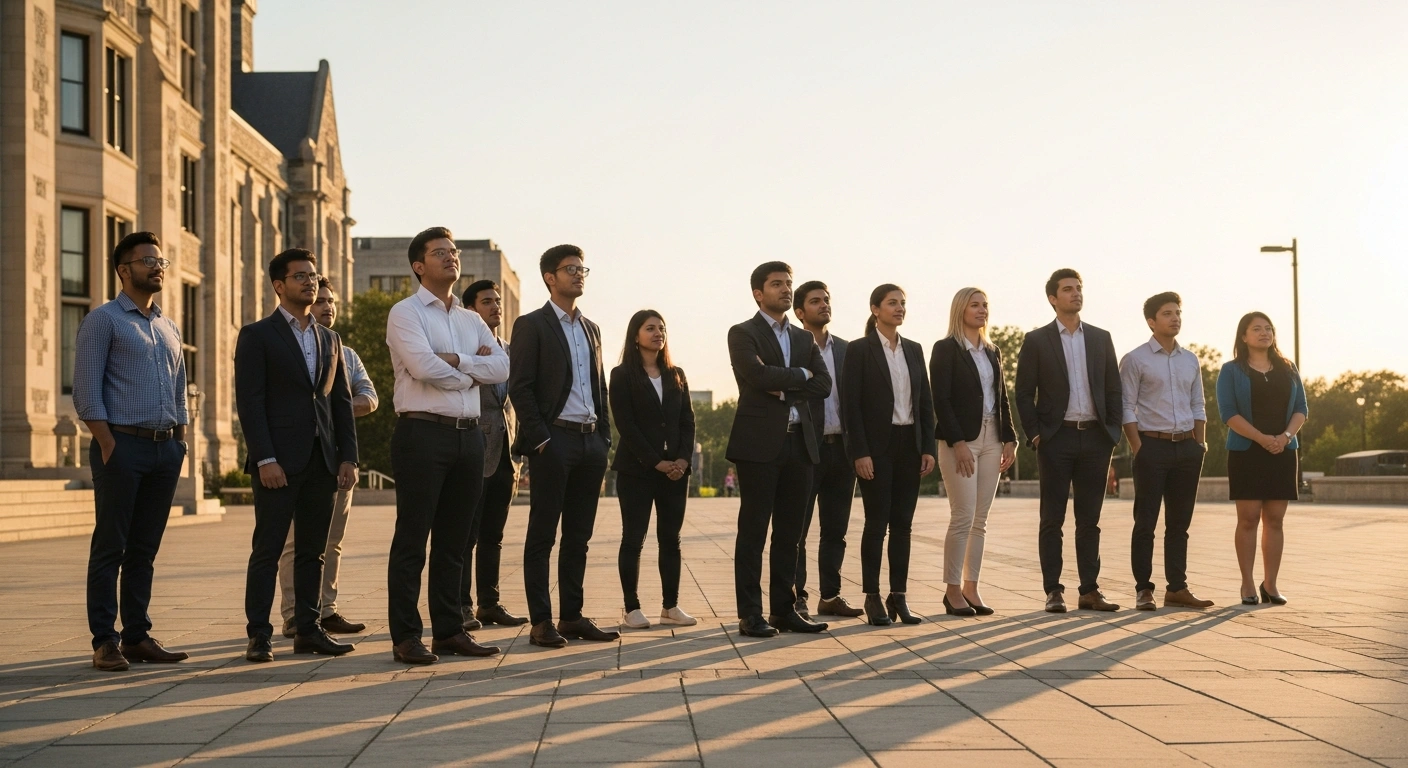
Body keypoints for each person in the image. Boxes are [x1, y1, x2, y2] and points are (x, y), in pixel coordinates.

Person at [384, 228, 508, 665]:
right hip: (422, 434)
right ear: (419, 265)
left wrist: (459, 363)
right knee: (413, 539)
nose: (451, 258)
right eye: (440, 253)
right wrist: (471, 371)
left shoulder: (471, 319)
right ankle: (405, 636)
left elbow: (503, 365)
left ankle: (450, 631)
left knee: (456, 541)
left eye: (453, 252)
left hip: (469, 435)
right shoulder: (406, 313)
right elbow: (420, 366)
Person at [236, 249, 360, 662]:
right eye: (300, 276)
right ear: (279, 285)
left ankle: (308, 630)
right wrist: (265, 458)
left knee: (313, 551)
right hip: (277, 464)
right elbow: (250, 404)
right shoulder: (257, 335)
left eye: (313, 275)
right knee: (268, 549)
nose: (310, 282)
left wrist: (349, 458)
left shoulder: (330, 339)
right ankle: (259, 634)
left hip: (322, 462)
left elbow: (340, 402)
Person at [74, 232, 190, 671]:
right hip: (120, 445)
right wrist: (108, 443)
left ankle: (137, 636)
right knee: (111, 546)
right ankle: (105, 640)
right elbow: (87, 390)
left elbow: (179, 388)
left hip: (165, 450)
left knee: (145, 549)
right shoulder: (103, 320)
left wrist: (180, 441)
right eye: (147, 261)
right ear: (124, 270)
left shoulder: (168, 325)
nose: (157, 267)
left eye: (160, 261)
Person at [511, 244, 619, 648]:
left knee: (579, 536)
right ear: (549, 277)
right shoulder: (531, 324)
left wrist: (605, 437)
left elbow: (599, 386)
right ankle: (541, 621)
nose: (578, 274)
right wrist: (541, 440)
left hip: (591, 444)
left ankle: (571, 616)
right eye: (570, 269)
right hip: (553, 441)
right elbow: (519, 388)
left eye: (582, 268)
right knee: (543, 534)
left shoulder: (591, 328)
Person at [726, 261, 832, 637]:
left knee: (790, 534)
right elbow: (755, 377)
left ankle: (784, 611)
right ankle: (750, 614)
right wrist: (798, 376)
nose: (786, 289)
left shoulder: (804, 339)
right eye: (777, 284)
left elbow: (823, 384)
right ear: (758, 292)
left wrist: (787, 383)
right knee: (753, 532)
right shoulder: (743, 333)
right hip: (758, 445)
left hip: (800, 444)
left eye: (789, 283)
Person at [1014, 268, 1123, 613]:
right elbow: (1022, 393)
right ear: (1053, 298)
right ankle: (1053, 591)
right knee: (1053, 519)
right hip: (1056, 439)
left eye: (1078, 288)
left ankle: (1090, 590)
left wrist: (1112, 433)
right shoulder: (1036, 340)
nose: (1075, 293)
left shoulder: (1101, 338)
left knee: (1090, 520)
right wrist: (1035, 434)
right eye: (1067, 289)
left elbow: (1113, 389)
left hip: (1095, 439)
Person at [275, 277, 376, 639]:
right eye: (321, 301)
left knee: (331, 540)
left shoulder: (345, 354)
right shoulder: (283, 346)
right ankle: (292, 614)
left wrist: (334, 409)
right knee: (294, 542)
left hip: (336, 460)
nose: (327, 307)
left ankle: (325, 610)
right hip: (296, 460)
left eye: (331, 301)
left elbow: (370, 397)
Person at [842, 284, 936, 626]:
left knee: (903, 526)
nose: (899, 308)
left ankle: (899, 596)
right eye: (892, 303)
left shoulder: (914, 349)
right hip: (876, 450)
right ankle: (872, 596)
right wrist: (860, 453)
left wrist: (927, 446)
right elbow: (850, 407)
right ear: (875, 309)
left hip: (908, 446)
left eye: (903, 303)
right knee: (876, 523)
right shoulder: (859, 350)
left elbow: (925, 402)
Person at [1120, 292, 1214, 611]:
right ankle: (1144, 589)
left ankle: (1177, 588)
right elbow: (1126, 407)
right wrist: (1138, 448)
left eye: (1177, 312)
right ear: (1151, 321)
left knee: (1179, 524)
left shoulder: (1190, 359)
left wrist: (1199, 443)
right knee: (1145, 522)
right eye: (1167, 313)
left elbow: (1198, 403)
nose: (1175, 318)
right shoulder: (1135, 359)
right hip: (1152, 447)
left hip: (1187, 448)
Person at [930, 287, 1017, 617]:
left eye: (985, 305)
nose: (982, 310)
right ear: (960, 310)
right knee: (963, 515)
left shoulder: (992, 351)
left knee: (980, 520)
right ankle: (952, 590)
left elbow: (1002, 398)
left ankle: (971, 588)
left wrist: (1010, 439)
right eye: (974, 305)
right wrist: (958, 443)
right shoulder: (946, 349)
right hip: (961, 441)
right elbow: (943, 400)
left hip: (993, 438)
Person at [610, 310, 698, 629]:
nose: (658, 333)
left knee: (670, 539)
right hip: (637, 470)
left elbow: (687, 422)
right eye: (650, 328)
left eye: (662, 328)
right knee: (634, 538)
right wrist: (655, 461)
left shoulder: (677, 374)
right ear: (636, 336)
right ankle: (632, 608)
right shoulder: (622, 375)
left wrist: (682, 461)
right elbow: (626, 426)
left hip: (676, 471)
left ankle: (670, 606)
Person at [1216, 311, 1307, 606]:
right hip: (1247, 452)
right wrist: (1262, 438)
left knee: (1276, 520)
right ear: (1244, 336)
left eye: (1268, 328)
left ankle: (1271, 584)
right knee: (1249, 518)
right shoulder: (1231, 370)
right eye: (1256, 329)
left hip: (1283, 451)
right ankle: (1246, 584)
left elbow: (1301, 409)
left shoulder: (1288, 368)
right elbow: (1228, 413)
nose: (1264, 333)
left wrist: (1285, 437)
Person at [458, 279, 529, 630]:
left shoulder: (510, 349)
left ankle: (490, 603)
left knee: (493, 536)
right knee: (465, 535)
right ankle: (461, 607)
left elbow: (514, 401)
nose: (496, 307)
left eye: (498, 301)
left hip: (507, 455)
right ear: (471, 309)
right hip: (474, 450)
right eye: (487, 301)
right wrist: (473, 362)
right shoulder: (464, 347)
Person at [791, 281, 863, 619]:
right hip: (806, 448)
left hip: (842, 450)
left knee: (836, 530)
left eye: (827, 300)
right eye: (815, 301)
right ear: (800, 312)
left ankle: (830, 596)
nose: (824, 305)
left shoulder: (847, 350)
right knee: (798, 531)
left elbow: (860, 400)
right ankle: (797, 597)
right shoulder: (792, 347)